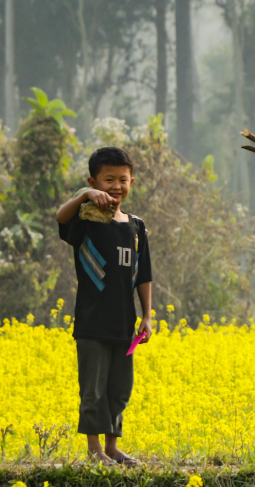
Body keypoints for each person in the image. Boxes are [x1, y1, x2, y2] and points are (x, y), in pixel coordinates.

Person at [55, 147, 153, 467]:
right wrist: (84, 196)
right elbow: (60, 217)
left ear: (132, 181)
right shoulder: (86, 219)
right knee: (93, 388)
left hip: (125, 324)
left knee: (119, 387)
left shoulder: (136, 226)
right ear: (93, 181)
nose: (115, 186)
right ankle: (94, 450)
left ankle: (112, 448)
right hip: (92, 322)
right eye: (107, 179)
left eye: (122, 179)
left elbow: (144, 275)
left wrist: (147, 316)